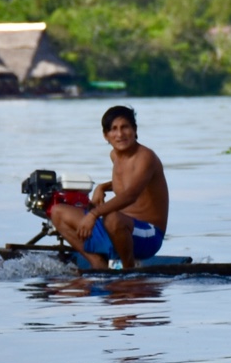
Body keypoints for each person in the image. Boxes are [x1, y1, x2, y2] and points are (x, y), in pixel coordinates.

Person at [52, 104, 170, 269]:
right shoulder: (115, 155)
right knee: (57, 211)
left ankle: (128, 268)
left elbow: (131, 194)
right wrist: (102, 187)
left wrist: (93, 215)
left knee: (112, 217)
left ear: (135, 130)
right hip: (117, 229)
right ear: (105, 136)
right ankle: (97, 263)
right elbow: (126, 181)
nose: (120, 134)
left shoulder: (146, 157)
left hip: (148, 235)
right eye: (113, 129)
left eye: (125, 127)